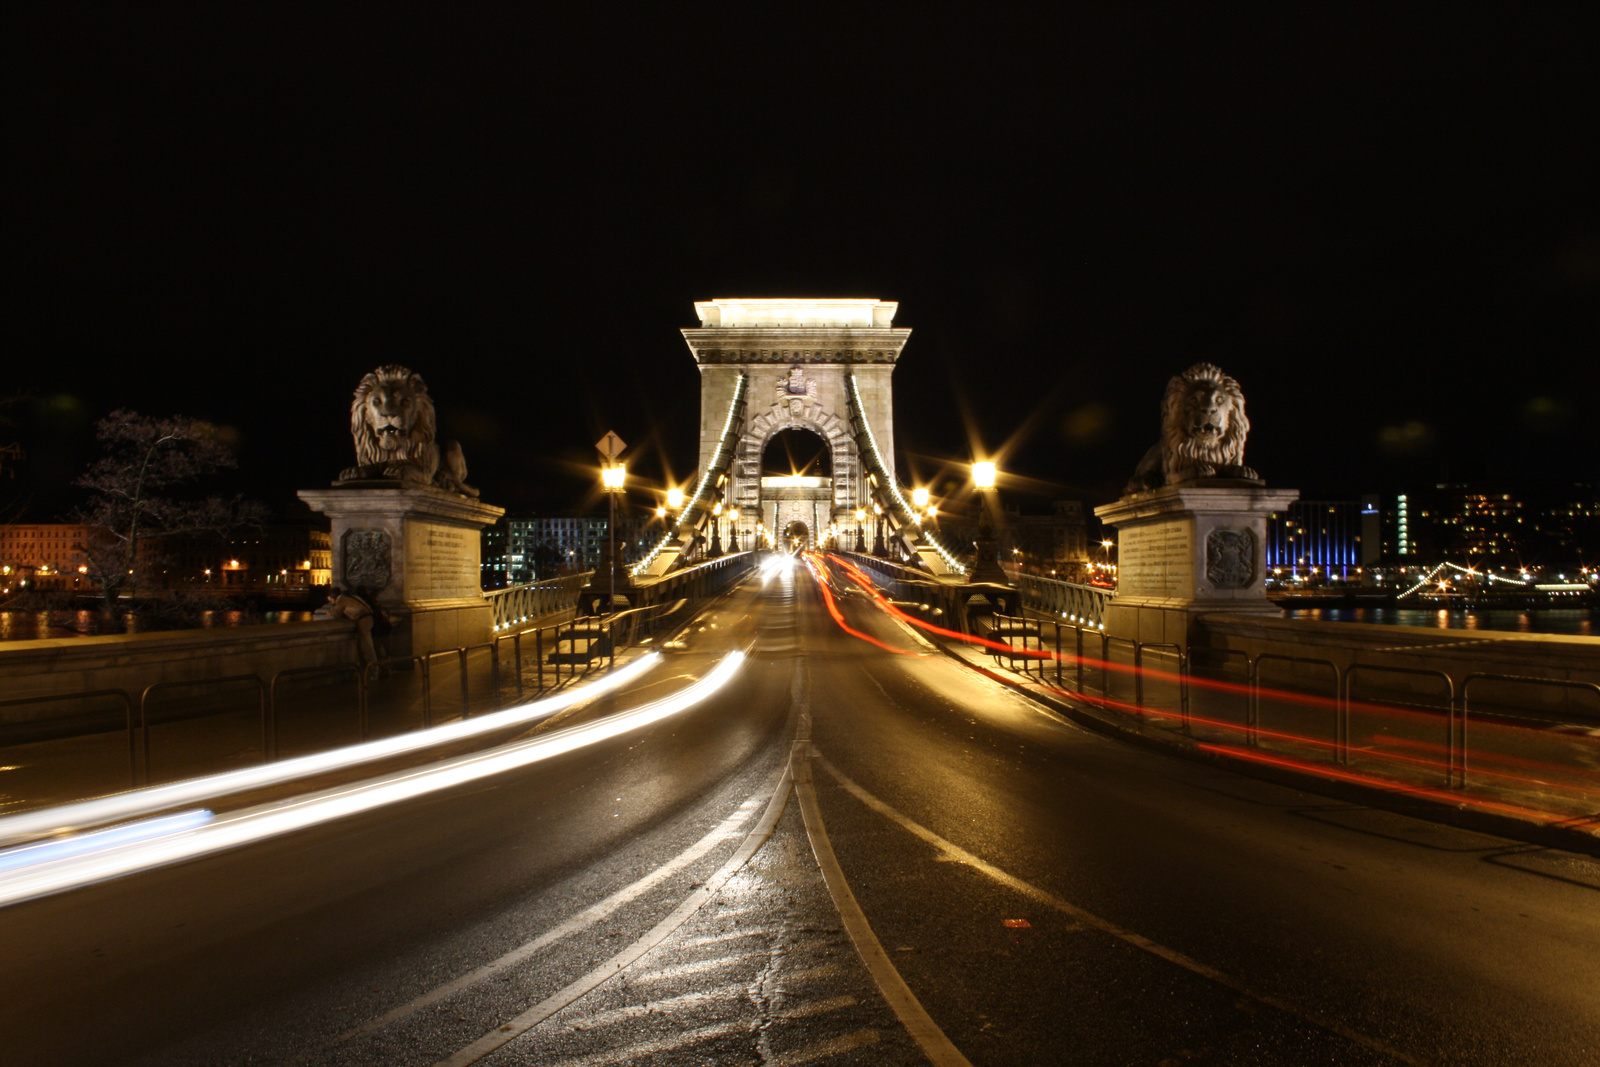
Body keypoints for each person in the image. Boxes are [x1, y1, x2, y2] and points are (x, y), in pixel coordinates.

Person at [321, 586, 380, 678]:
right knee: (367, 646)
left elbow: (336, 613)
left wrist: (330, 612)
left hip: (363, 620)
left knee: (367, 647)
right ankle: (372, 670)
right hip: (367, 618)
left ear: (332, 597)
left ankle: (373, 671)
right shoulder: (348, 596)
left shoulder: (341, 599)